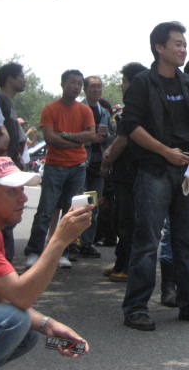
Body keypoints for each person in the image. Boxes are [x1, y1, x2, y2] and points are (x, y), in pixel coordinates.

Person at [120, 21, 189, 331]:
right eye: (177, 43)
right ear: (159, 47)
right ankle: (136, 308)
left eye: (184, 44)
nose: (183, 49)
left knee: (187, 242)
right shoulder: (142, 83)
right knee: (148, 241)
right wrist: (164, 151)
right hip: (154, 171)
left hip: (186, 170)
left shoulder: (187, 82)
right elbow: (131, 126)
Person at [0, 156, 90, 368]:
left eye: (22, 190)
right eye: (12, 191)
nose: (23, 198)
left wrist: (47, 325)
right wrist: (59, 240)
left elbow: (2, 296)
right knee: (14, 321)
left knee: (28, 331)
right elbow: (21, 296)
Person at [24, 69, 102, 270]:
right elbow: (50, 138)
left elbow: (90, 135)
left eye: (79, 84)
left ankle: (62, 252)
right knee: (45, 210)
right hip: (54, 165)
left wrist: (65, 136)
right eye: (72, 82)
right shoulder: (50, 109)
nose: (75, 87)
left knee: (71, 212)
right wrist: (76, 141)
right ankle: (34, 251)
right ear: (62, 84)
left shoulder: (84, 110)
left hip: (78, 167)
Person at [100, 62, 148, 283]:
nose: (122, 85)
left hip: (129, 172)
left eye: (124, 81)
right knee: (131, 219)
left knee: (126, 219)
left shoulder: (132, 109)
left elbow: (122, 141)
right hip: (140, 171)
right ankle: (123, 261)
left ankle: (125, 267)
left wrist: (107, 158)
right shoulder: (150, 105)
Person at [78, 76, 115, 258]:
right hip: (80, 162)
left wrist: (106, 134)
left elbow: (111, 138)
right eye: (92, 87)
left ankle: (87, 242)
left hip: (98, 163)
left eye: (99, 87)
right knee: (78, 203)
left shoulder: (105, 113)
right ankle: (72, 243)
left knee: (93, 204)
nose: (96, 90)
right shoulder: (78, 109)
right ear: (85, 89)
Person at [0, 62, 27, 262]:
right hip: (2, 166)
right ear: (10, 78)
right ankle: (2, 263)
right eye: (21, 76)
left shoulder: (8, 102)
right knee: (4, 215)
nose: (24, 80)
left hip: (11, 163)